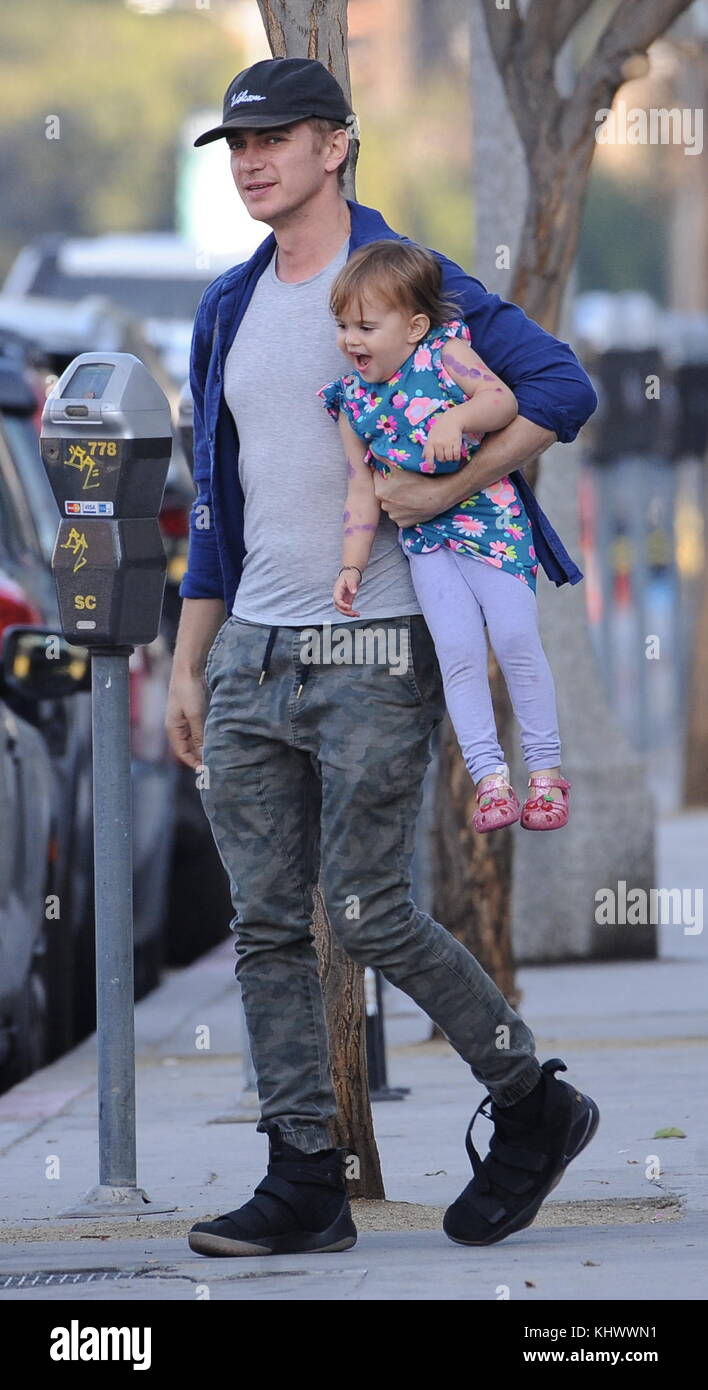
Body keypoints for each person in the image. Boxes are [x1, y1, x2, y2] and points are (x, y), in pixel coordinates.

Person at [165, 56, 600, 1259]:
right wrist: (193, 661)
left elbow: (566, 387)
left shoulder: (410, 283)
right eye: (235, 144)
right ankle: (303, 1175)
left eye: (274, 139)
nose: (251, 160)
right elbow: (217, 502)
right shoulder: (226, 305)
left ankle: (533, 1100)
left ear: (336, 146)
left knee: (366, 913)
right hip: (254, 644)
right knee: (262, 926)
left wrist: (438, 486)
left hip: (377, 646)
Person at [320, 239, 572, 834]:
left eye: (365, 325)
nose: (351, 339)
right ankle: (491, 781)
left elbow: (500, 398)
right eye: (341, 325)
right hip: (427, 542)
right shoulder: (353, 401)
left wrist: (456, 418)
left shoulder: (446, 355)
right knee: (458, 654)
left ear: (413, 327)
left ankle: (545, 774)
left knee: (514, 639)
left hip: (492, 525)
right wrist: (351, 565)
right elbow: (362, 491)